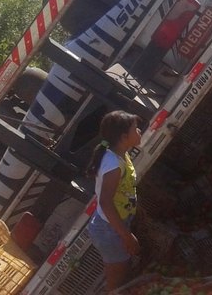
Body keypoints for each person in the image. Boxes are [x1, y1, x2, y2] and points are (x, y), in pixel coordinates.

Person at [86, 111, 143, 292]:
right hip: (109, 230)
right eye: (136, 129)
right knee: (116, 277)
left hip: (114, 226)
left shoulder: (121, 156)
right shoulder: (113, 165)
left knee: (122, 269)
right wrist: (126, 236)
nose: (140, 131)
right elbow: (105, 202)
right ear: (124, 136)